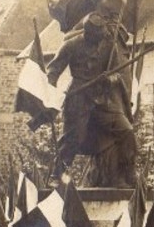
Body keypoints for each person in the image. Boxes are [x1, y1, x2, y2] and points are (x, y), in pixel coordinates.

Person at [46, 12, 137, 187]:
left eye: (101, 37)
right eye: (95, 38)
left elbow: (117, 72)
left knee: (126, 131)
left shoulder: (109, 46)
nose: (99, 41)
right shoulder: (71, 45)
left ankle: (128, 172)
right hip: (79, 98)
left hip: (103, 99)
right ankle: (57, 176)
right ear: (87, 34)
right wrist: (50, 96)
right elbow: (53, 71)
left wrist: (111, 78)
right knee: (73, 138)